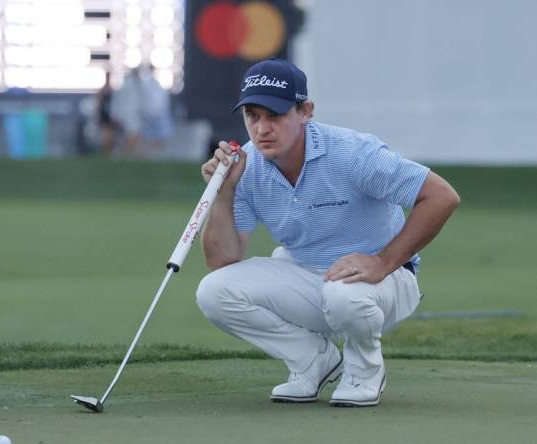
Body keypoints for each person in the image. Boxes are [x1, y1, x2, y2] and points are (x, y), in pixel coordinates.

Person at [196, 58, 460, 407]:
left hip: (386, 282)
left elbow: (442, 196)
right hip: (308, 275)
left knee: (343, 295)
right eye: (253, 116)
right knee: (213, 291)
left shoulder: (353, 153)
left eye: (274, 115)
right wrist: (224, 193)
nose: (261, 129)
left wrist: (383, 261)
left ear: (305, 111)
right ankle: (312, 361)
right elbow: (222, 258)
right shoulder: (244, 166)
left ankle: (365, 371)